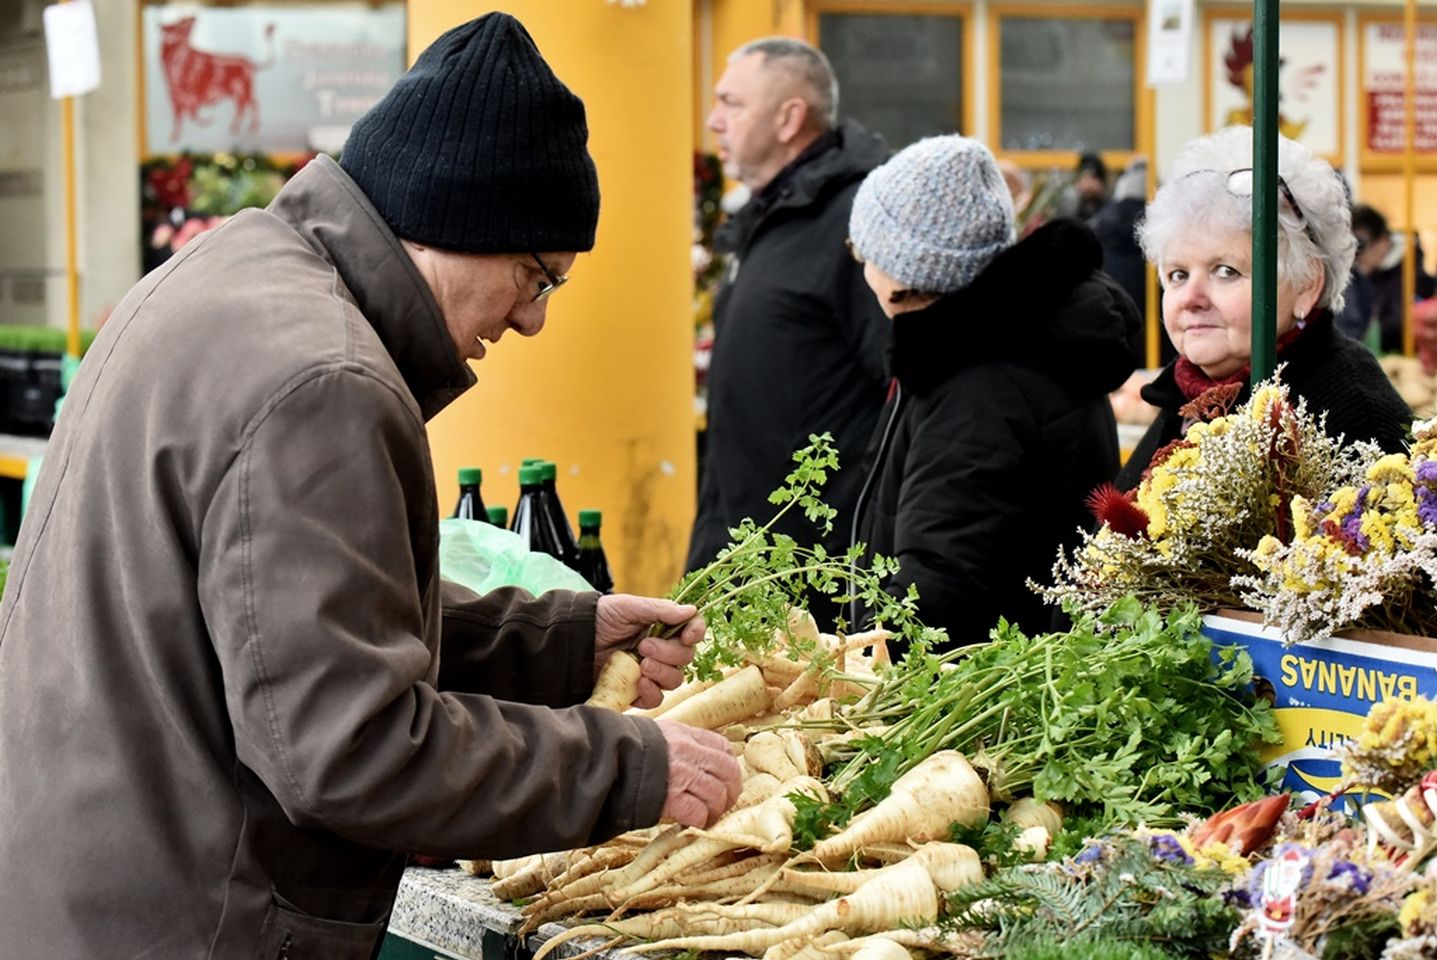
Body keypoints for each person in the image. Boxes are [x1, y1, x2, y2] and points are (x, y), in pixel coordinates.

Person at [0, 15, 741, 959]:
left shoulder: (224, 276)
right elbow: (349, 748)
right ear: (457, 217)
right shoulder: (325, 384)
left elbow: (274, 626)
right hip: (187, 921)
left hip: (90, 895)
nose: (532, 321)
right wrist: (628, 767)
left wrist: (553, 640)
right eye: (537, 276)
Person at [845, 136, 1140, 648]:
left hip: (964, 703)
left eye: (864, 250)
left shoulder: (975, 384)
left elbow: (939, 586)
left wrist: (859, 666)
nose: (861, 265)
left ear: (905, 272)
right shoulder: (1007, 343)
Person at [687, 37, 891, 614]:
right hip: (743, 553)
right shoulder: (771, 214)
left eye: (731, 103)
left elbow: (904, 386)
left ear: (789, 118)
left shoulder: (855, 217)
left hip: (815, 575)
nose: (714, 121)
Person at [1116, 127, 1412, 492]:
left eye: (1226, 272)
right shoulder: (1191, 392)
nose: (1190, 297)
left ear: (1306, 284)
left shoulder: (1353, 416)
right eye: (1177, 274)